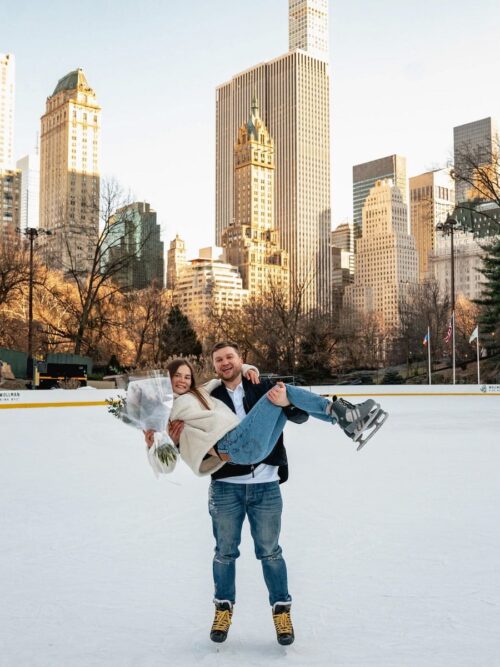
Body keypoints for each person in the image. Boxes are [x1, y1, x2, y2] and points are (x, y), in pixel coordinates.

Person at [145, 343, 387, 645]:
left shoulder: (236, 386)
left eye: (229, 357)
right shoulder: (190, 404)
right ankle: (223, 609)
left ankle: (281, 611)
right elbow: (164, 461)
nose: (224, 363)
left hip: (265, 483)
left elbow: (297, 415)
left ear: (239, 359)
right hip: (227, 481)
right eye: (218, 360)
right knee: (224, 552)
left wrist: (281, 399)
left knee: (270, 552)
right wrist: (157, 439)